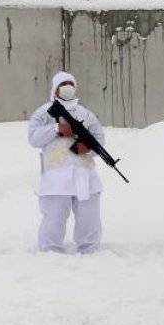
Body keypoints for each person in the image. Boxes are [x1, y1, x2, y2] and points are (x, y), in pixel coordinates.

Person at [27, 72, 104, 254]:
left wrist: (84, 147)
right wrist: (57, 128)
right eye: (63, 84)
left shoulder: (85, 113)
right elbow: (34, 138)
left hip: (84, 175)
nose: (67, 87)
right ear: (55, 89)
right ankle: (50, 252)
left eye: (70, 83)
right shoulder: (43, 112)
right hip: (56, 177)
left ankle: (90, 251)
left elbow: (99, 141)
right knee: (54, 218)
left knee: (89, 219)